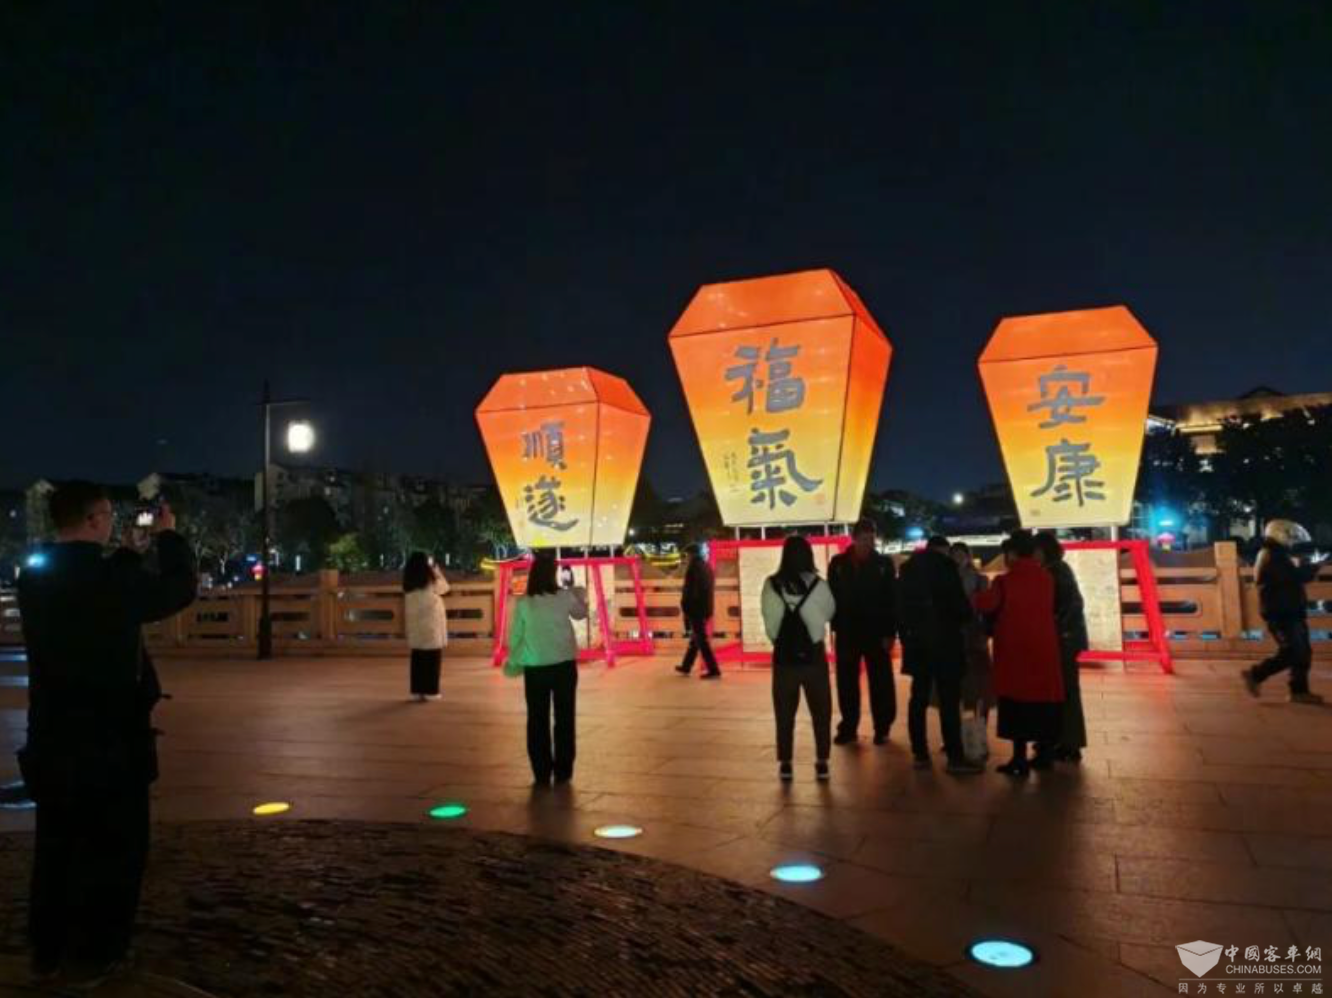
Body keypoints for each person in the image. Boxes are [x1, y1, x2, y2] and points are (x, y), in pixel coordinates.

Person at [17, 481, 197, 987]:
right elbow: (177, 589)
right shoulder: (111, 579)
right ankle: (95, 955)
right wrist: (168, 537)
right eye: (109, 516)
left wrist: (124, 557)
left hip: (52, 735)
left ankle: (47, 949)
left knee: (56, 848)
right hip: (111, 738)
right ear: (95, 519)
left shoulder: (35, 578)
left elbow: (89, 591)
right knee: (114, 851)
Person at [973, 530, 1063, 777]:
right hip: (1044, 649)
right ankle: (1044, 755)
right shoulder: (1046, 578)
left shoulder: (1004, 582)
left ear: (1012, 554)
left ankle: (1019, 759)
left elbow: (986, 604)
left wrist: (971, 595)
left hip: (1015, 652)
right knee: (1042, 703)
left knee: (1016, 705)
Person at [897, 537, 984, 774]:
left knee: (918, 699)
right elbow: (961, 609)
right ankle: (955, 757)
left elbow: (900, 609)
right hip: (946, 644)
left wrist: (907, 638)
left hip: (917, 645)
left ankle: (920, 754)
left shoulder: (907, 569)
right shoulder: (946, 568)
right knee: (949, 701)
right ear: (944, 551)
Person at [505, 552, 589, 784]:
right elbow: (581, 614)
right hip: (564, 665)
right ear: (553, 574)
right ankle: (564, 770)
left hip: (536, 667)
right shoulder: (563, 596)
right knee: (565, 718)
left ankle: (541, 771)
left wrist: (514, 662)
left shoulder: (524, 603)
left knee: (537, 719)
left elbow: (516, 637)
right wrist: (578, 593)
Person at [762, 535, 837, 782]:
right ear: (809, 556)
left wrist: (781, 639)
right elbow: (830, 613)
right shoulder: (819, 585)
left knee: (784, 712)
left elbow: (770, 624)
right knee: (821, 711)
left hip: (783, 658)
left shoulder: (771, 585)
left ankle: (786, 763)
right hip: (814, 657)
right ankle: (822, 762)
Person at [827, 518, 897, 745]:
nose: (869, 543)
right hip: (847, 632)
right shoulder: (838, 563)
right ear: (854, 539)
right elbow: (831, 596)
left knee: (881, 681)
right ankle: (848, 727)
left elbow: (891, 600)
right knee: (846, 682)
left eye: (871, 539)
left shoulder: (884, 564)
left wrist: (890, 633)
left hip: (877, 632)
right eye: (864, 539)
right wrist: (835, 624)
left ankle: (882, 727)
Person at [1243, 519, 1324, 704]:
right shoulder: (1271, 555)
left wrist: (1309, 567)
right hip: (1281, 612)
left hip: (1290, 610)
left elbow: (1291, 578)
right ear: (1280, 534)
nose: (1292, 540)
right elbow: (1295, 577)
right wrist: (1313, 567)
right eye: (1290, 536)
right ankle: (1256, 674)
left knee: (1303, 652)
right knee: (1292, 651)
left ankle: (1299, 692)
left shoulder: (1276, 553)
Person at [1033, 533, 1089, 762]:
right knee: (1065, 691)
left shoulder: (1055, 571)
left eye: (1036, 550)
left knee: (1065, 691)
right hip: (1067, 638)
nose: (1034, 555)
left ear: (1044, 550)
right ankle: (1064, 740)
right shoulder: (1057, 569)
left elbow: (1067, 606)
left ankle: (1069, 743)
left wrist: (1056, 628)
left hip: (1063, 640)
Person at [951, 542, 994, 728]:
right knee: (957, 685)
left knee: (980, 683)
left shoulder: (980, 579)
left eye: (962, 555)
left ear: (969, 557)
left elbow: (987, 608)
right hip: (954, 636)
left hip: (975, 635)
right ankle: (959, 727)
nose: (959, 559)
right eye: (955, 555)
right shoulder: (946, 579)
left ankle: (980, 725)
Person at [403, 552, 450, 702]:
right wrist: (436, 571)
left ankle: (417, 691)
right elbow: (445, 588)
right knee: (432, 659)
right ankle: (431, 691)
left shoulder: (409, 582)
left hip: (416, 626)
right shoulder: (430, 579)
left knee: (417, 658)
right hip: (431, 625)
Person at [675, 543, 720, 678]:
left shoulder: (693, 568)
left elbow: (690, 591)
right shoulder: (706, 566)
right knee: (696, 639)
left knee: (701, 640)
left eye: (687, 555)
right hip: (705, 608)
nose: (686, 558)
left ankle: (714, 669)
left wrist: (685, 606)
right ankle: (686, 666)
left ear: (691, 554)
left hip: (696, 609)